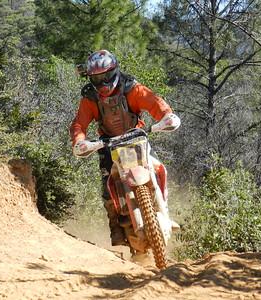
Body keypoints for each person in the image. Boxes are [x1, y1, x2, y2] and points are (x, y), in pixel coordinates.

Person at [69, 49, 180, 246]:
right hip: (108, 144)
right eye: (97, 78)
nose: (103, 83)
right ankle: (116, 228)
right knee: (107, 186)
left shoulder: (131, 88)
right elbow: (79, 123)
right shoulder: (90, 98)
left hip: (136, 138)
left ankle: (165, 210)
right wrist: (79, 140)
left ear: (115, 71)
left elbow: (154, 102)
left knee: (159, 168)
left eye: (106, 76)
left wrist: (166, 116)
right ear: (90, 79)